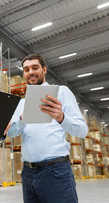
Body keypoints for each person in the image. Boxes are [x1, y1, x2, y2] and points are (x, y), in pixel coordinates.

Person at [7, 54, 88, 203]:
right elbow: (12, 132)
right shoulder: (21, 104)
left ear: (44, 70)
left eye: (35, 67)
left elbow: (82, 130)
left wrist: (61, 117)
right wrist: (20, 119)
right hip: (28, 173)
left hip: (55, 170)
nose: (30, 72)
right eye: (26, 69)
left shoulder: (61, 92)